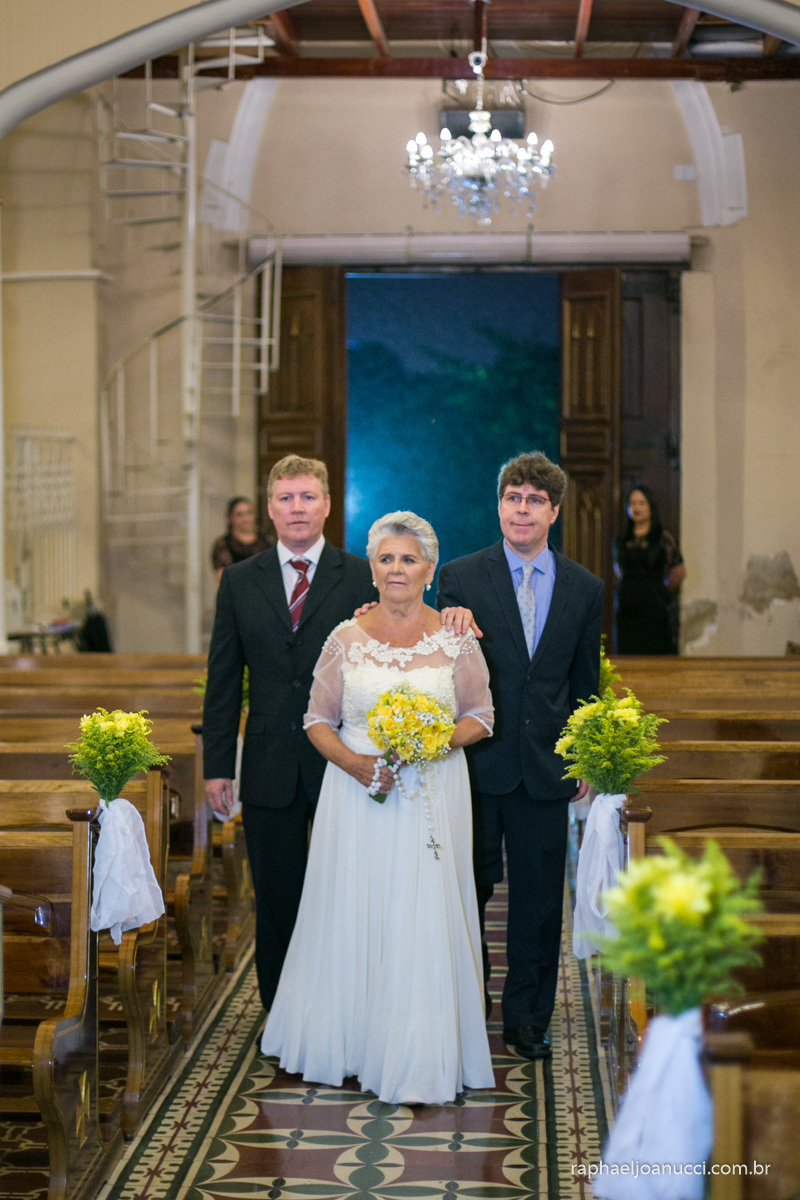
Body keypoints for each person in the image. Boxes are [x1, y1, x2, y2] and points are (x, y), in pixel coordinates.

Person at [203, 457, 474, 1014]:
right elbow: (224, 678)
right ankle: (283, 1015)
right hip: (269, 761)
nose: (297, 508)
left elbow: (407, 627)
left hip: (348, 763)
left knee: (344, 897)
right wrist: (217, 767)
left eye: (307, 497)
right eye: (285, 498)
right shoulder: (240, 580)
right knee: (277, 898)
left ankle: (348, 1009)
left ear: (327, 505)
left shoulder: (361, 573)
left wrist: (458, 615)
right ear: (270, 507)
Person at [261, 512, 495, 1104]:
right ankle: (349, 1041)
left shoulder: (456, 637)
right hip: (356, 793)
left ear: (429, 570)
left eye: (408, 559)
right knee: (354, 903)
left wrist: (435, 741)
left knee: (421, 910)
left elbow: (481, 715)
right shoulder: (345, 638)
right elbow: (317, 719)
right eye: (386, 558)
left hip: (431, 791)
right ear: (372, 568)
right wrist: (356, 763)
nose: (397, 569)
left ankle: (418, 1048)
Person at [437, 451, 603, 1061]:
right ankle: (468, 1003)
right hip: (477, 765)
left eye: (535, 500)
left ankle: (527, 1019)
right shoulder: (460, 578)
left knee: (537, 902)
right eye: (513, 498)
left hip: (546, 765)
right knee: (468, 891)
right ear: (500, 506)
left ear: (554, 511)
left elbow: (585, 683)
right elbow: (438, 667)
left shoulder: (585, 587)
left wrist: (584, 756)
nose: (522, 509)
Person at [613, 485, 686, 655]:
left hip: (654, 604)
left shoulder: (663, 538)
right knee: (627, 652)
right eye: (632, 503)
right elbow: (619, 570)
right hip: (627, 604)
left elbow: (679, 572)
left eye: (641, 503)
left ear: (650, 507)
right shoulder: (621, 540)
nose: (636, 507)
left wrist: (661, 591)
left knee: (655, 651)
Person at [211, 496, 271, 584]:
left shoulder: (265, 541)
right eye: (240, 515)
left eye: (249, 513)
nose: (246, 519)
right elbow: (225, 581)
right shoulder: (224, 545)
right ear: (230, 518)